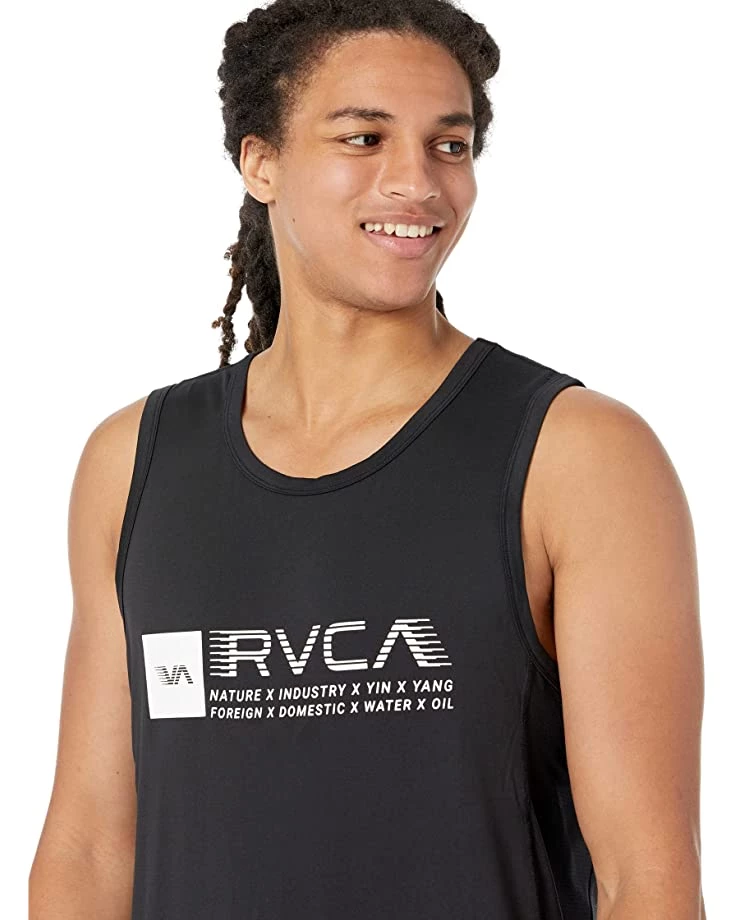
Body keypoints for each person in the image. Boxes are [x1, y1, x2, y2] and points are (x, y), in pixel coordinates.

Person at [29, 1, 706, 918]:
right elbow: (88, 848)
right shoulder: (134, 462)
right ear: (261, 162)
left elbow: (649, 880)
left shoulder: (578, 455)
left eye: (449, 145)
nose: (417, 182)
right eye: (364, 138)